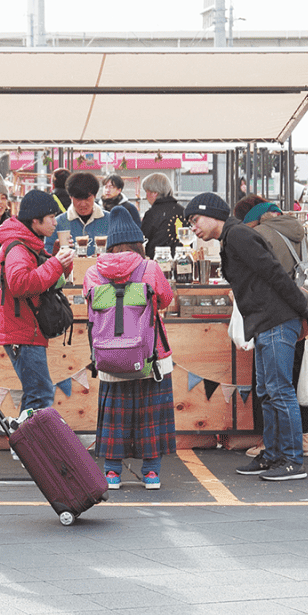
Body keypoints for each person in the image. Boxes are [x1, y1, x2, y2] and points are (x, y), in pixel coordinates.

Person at [184, 191, 308, 482]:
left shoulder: (239, 236)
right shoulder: (232, 238)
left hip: (277, 319)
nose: (193, 227)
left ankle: (292, 460)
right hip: (266, 322)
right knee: (267, 392)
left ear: (213, 214)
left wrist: (303, 309)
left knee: (279, 391)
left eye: (195, 220)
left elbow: (275, 273)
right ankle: (272, 455)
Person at [85, 204, 174, 491]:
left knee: (115, 415)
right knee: (151, 415)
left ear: (109, 245)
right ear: (139, 243)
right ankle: (151, 474)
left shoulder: (92, 273)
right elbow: (166, 299)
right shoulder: (151, 268)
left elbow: (90, 313)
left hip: (109, 355)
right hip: (151, 355)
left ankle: (112, 474)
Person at [232, 195, 308, 458]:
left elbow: (262, 275)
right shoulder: (296, 230)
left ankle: (280, 451)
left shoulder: (261, 235)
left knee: (273, 387)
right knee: (292, 378)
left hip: (273, 313)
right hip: (299, 309)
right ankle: (302, 439)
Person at [0, 190, 75, 422]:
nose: (55, 221)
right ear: (35, 220)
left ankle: (25, 447)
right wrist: (56, 263)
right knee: (40, 395)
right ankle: (30, 450)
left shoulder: (30, 244)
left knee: (36, 394)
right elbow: (20, 284)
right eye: (50, 217)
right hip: (23, 331)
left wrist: (61, 261)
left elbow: (48, 282)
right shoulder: (18, 248)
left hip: (28, 330)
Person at [49, 172, 109, 256]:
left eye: (87, 198)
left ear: (95, 195)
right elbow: (47, 254)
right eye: (78, 199)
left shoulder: (110, 220)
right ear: (70, 197)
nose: (83, 204)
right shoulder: (57, 223)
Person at [139, 172, 186, 259]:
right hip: (182, 260)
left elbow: (143, 239)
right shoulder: (182, 211)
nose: (146, 196)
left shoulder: (152, 214)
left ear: (155, 193)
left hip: (157, 262)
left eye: (147, 192)